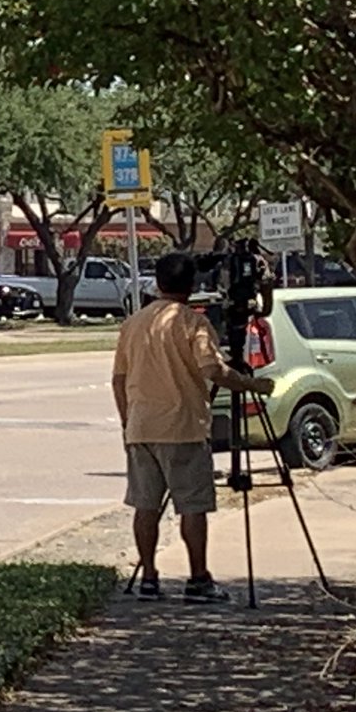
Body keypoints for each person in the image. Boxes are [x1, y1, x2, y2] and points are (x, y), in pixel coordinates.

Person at [112, 252, 275, 604]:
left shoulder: (135, 323)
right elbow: (212, 371)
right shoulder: (193, 323)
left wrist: (128, 422)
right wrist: (252, 385)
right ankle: (198, 578)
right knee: (192, 506)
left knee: (145, 506)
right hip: (183, 427)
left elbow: (118, 380)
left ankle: (150, 579)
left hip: (141, 427)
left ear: (157, 282)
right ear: (192, 286)